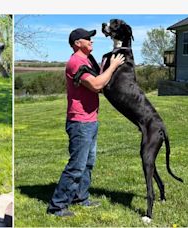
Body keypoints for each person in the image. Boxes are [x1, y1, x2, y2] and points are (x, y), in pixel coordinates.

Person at [46, 28, 125, 217]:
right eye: (88, 39)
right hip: (80, 122)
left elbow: (100, 80)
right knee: (76, 166)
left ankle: (80, 197)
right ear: (77, 43)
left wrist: (113, 57)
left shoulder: (88, 60)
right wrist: (113, 66)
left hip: (90, 120)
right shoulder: (75, 62)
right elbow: (97, 84)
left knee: (88, 163)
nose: (92, 41)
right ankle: (57, 206)